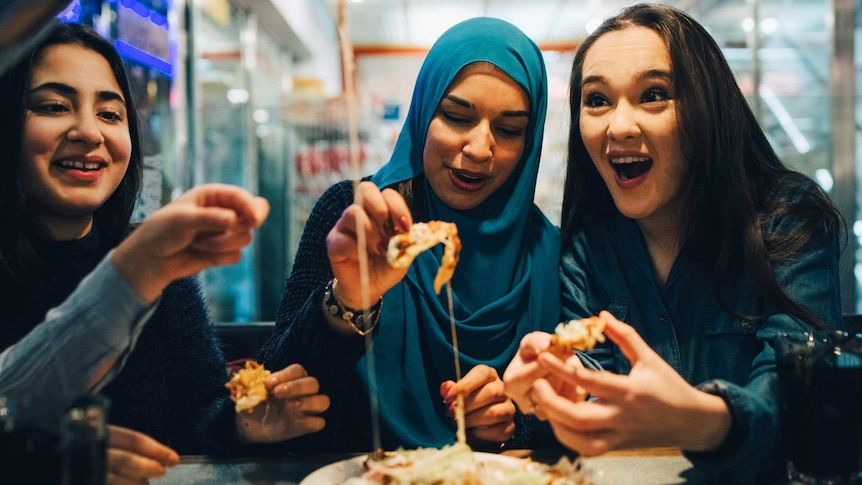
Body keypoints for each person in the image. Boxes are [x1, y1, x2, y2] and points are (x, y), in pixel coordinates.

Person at [502, 3, 846, 483]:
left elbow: (800, 397)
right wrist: (556, 383)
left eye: (655, 95)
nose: (618, 126)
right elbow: (592, 372)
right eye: (597, 100)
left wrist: (704, 420)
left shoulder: (787, 219)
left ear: (708, 107)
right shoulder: (589, 245)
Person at [0, 20, 329, 471]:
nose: (89, 132)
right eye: (55, 106)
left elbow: (200, 411)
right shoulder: (148, 260)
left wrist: (241, 423)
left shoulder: (162, 268)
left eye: (110, 114)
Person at [258, 16, 561, 452]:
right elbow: (276, 399)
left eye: (510, 130)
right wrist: (348, 301)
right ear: (422, 114)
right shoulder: (357, 216)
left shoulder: (547, 252)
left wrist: (512, 418)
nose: (479, 148)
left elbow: (572, 414)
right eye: (456, 117)